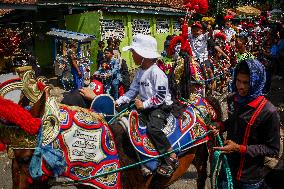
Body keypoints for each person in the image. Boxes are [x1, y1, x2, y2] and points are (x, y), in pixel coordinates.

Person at [115, 34, 179, 177]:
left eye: (134, 52)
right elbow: (132, 91)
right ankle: (142, 158)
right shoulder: (140, 72)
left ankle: (170, 156)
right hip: (145, 106)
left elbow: (161, 97)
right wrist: (118, 102)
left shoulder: (157, 73)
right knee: (129, 124)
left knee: (153, 128)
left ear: (144, 55)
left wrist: (144, 104)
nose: (132, 55)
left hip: (160, 107)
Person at [212, 59, 281, 189]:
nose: (240, 87)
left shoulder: (268, 112)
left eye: (246, 82)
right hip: (226, 169)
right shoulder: (233, 99)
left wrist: (239, 148)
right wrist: (221, 126)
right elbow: (234, 121)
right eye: (238, 80)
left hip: (249, 180)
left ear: (257, 82)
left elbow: (273, 149)